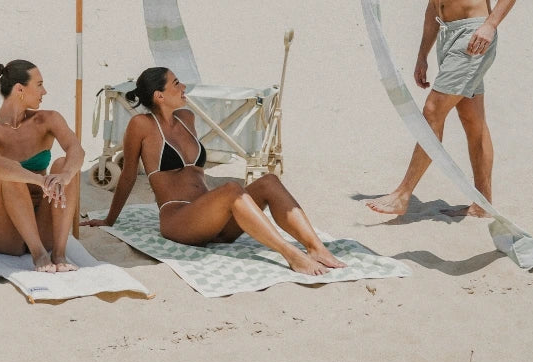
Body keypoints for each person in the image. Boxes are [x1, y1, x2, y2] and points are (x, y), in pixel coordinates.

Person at [367, 0, 524, 217]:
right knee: (472, 120)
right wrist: (422, 54)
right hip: (447, 36)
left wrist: (490, 25)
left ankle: (403, 193)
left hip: (474, 35)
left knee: (433, 111)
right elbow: (432, 4)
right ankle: (483, 205)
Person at [82, 67, 345, 276]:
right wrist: (109, 220)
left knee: (269, 181)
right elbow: (127, 176)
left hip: (214, 221)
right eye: (176, 83)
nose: (183, 87)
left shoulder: (187, 119)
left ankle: (316, 248)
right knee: (231, 189)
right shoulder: (141, 125)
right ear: (159, 96)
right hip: (179, 220)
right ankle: (291, 254)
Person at [0, 59, 85, 273]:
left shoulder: (48, 119)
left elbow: (76, 150)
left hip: (44, 224)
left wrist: (65, 176)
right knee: (9, 172)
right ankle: (39, 255)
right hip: (4, 233)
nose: (45, 91)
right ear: (19, 89)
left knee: (63, 164)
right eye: (39, 84)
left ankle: (59, 253)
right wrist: (40, 180)